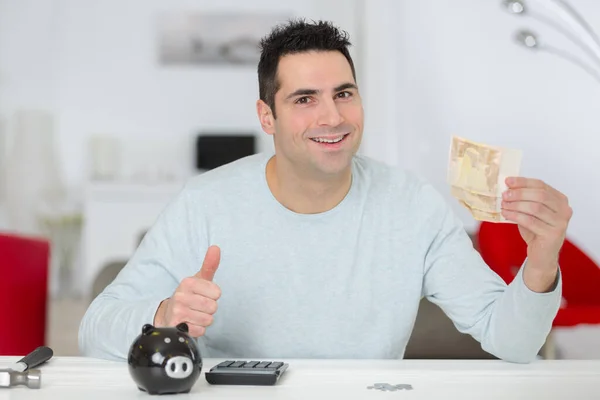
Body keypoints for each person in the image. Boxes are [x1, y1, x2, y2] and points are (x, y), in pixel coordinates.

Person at [78, 19, 572, 363]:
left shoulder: (412, 205)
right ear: (266, 116)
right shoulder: (204, 203)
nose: (332, 117)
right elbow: (93, 329)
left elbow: (512, 341)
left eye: (344, 93)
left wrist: (543, 260)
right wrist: (165, 315)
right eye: (304, 99)